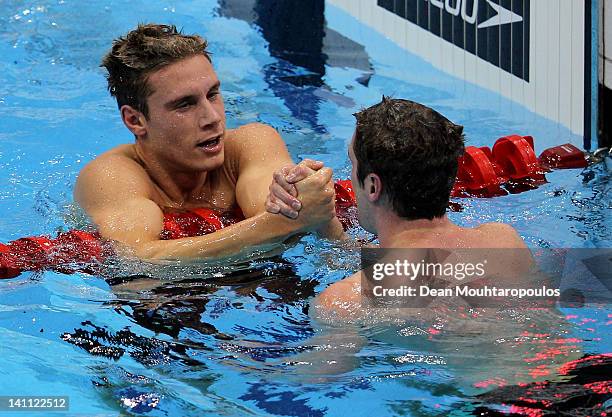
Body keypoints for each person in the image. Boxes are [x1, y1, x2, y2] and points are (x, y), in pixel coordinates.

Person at [74, 24, 344, 261]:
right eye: (185, 104)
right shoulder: (110, 177)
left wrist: (303, 197)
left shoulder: (252, 142)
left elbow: (275, 209)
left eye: (213, 94)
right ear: (135, 120)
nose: (212, 118)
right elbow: (136, 257)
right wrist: (282, 224)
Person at [266, 97, 530, 315]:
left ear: (372, 186)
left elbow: (317, 379)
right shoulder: (505, 240)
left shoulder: (347, 302)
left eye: (352, 163)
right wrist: (323, 221)